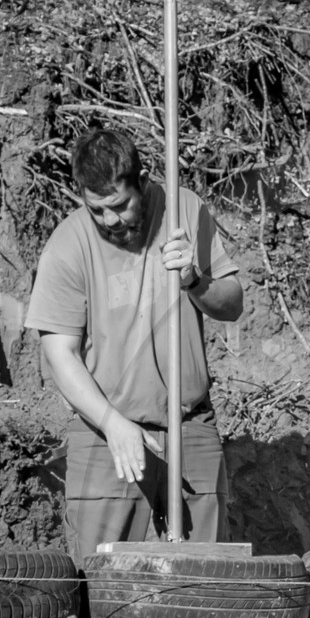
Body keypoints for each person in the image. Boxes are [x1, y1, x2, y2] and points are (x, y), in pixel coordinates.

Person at [25, 126, 244, 564]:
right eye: (97, 209)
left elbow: (232, 304)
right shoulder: (67, 246)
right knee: (99, 576)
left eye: (120, 205)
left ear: (142, 181)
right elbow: (60, 354)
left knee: (206, 581)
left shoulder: (184, 211)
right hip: (105, 431)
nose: (110, 220)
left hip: (190, 424)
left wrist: (194, 281)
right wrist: (112, 424)